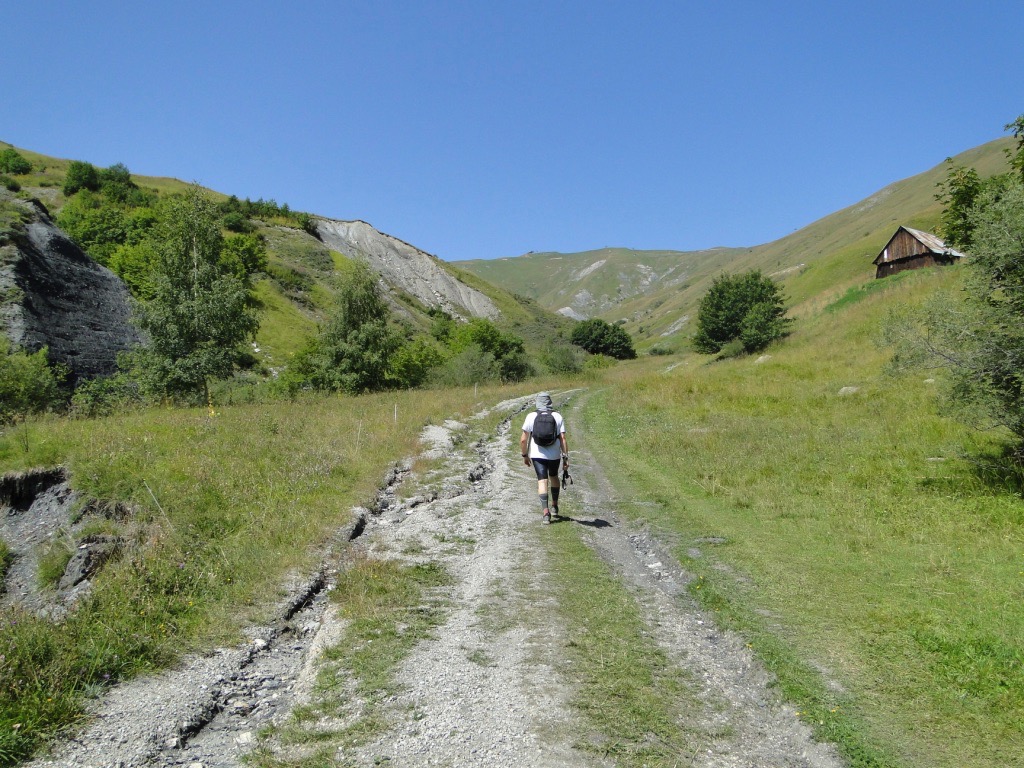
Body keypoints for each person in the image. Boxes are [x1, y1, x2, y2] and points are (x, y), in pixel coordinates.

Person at [520, 392, 568, 525]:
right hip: (554, 455)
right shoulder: (557, 416)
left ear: (537, 403)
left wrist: (525, 455)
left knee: (542, 481)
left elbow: (524, 439)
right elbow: (563, 438)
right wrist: (565, 458)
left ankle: (545, 513)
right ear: (550, 403)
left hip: (537, 455)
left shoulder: (531, 416)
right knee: (553, 477)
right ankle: (554, 506)